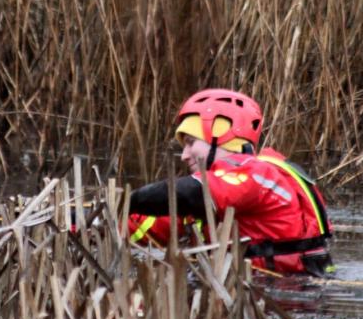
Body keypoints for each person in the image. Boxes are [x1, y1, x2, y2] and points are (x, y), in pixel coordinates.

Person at [127, 88, 334, 276]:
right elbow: (144, 225)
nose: (184, 155)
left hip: (287, 296)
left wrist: (130, 201)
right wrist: (112, 217)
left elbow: (190, 193)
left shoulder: (256, 174)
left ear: (221, 137)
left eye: (191, 143)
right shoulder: (215, 192)